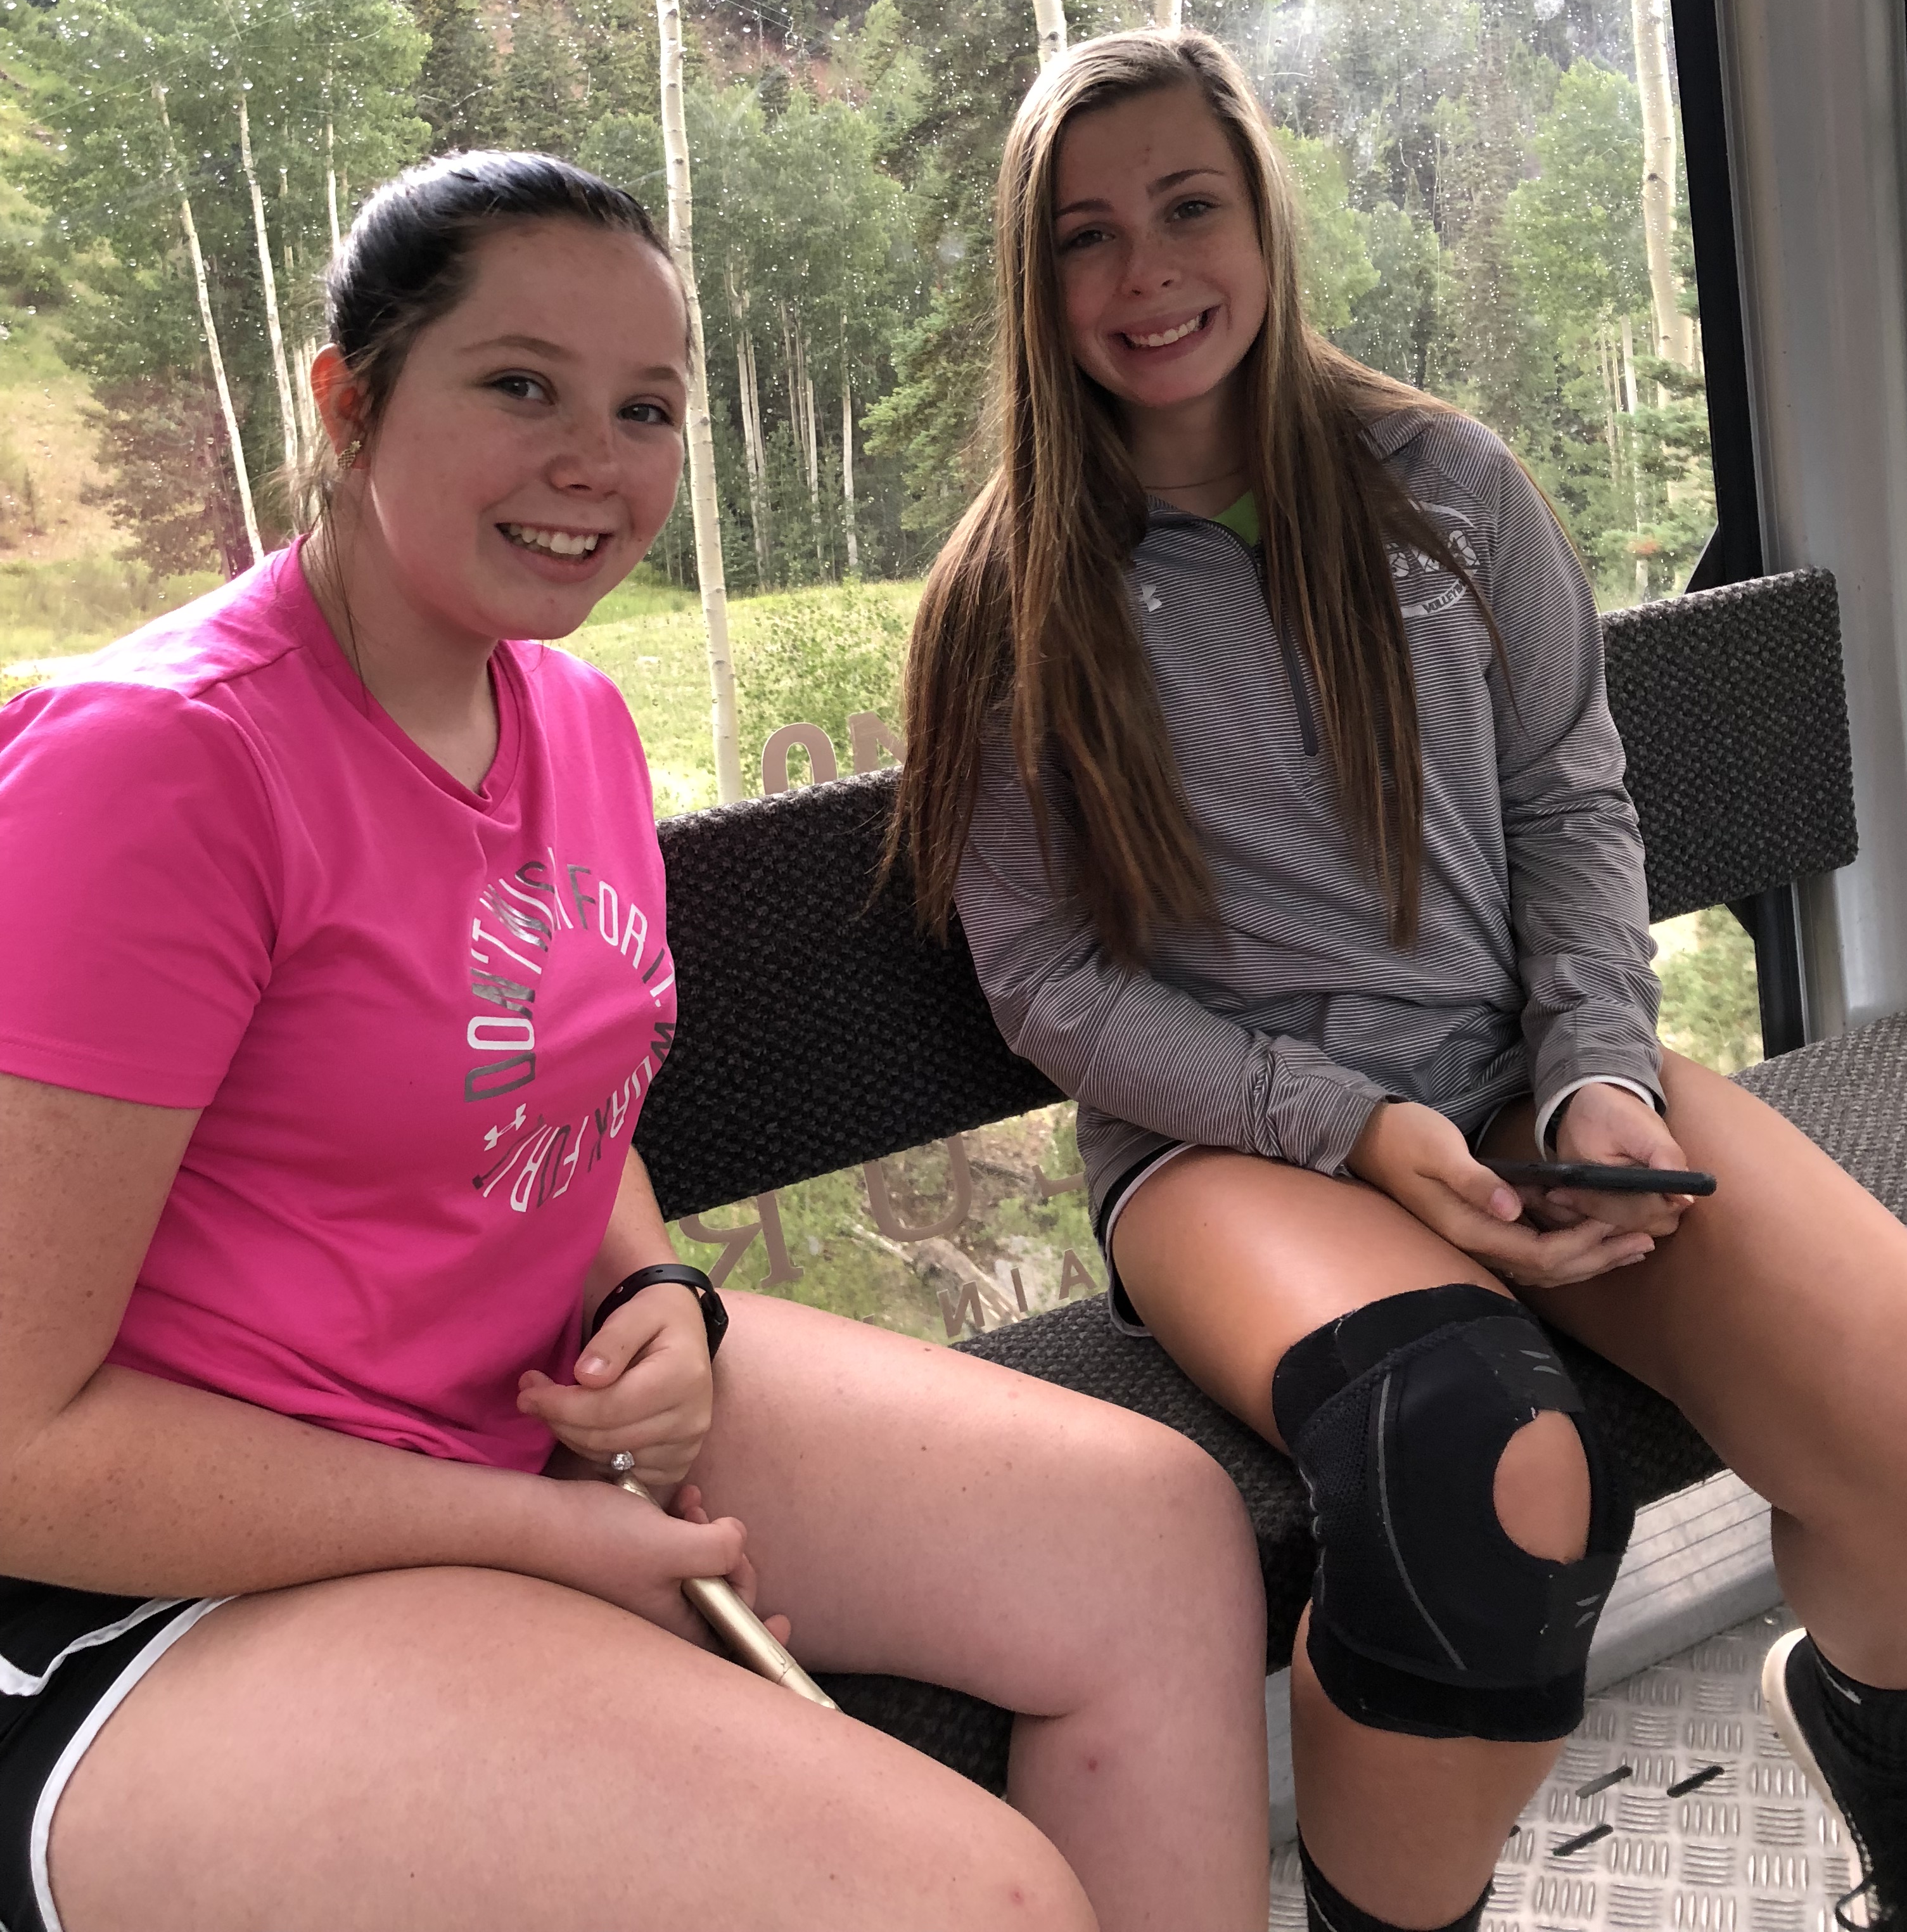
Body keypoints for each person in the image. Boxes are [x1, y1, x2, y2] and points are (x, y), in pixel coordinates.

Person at [0, 151, 1273, 1932]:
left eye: (646, 407)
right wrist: (537, 1540)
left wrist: (654, 1290)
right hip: (156, 1590)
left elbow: (548, 1096)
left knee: (1156, 1540)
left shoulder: (574, 715)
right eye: (521, 385)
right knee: (962, 1902)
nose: (594, 460)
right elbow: (19, 1446)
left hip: (522, 1412)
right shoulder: (161, 768)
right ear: (349, 401)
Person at [893, 30, 1907, 1932]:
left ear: (1262, 218)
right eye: (1086, 236)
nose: (1147, 273)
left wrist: (1601, 1070)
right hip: (1229, 1152)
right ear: (1037, 281)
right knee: (1478, 1478)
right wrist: (1347, 1125)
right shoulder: (1010, 601)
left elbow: (1570, 801)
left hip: (1524, 1075)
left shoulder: (1444, 486)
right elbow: (1051, 990)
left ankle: (1884, 1765)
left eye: (1188, 207)